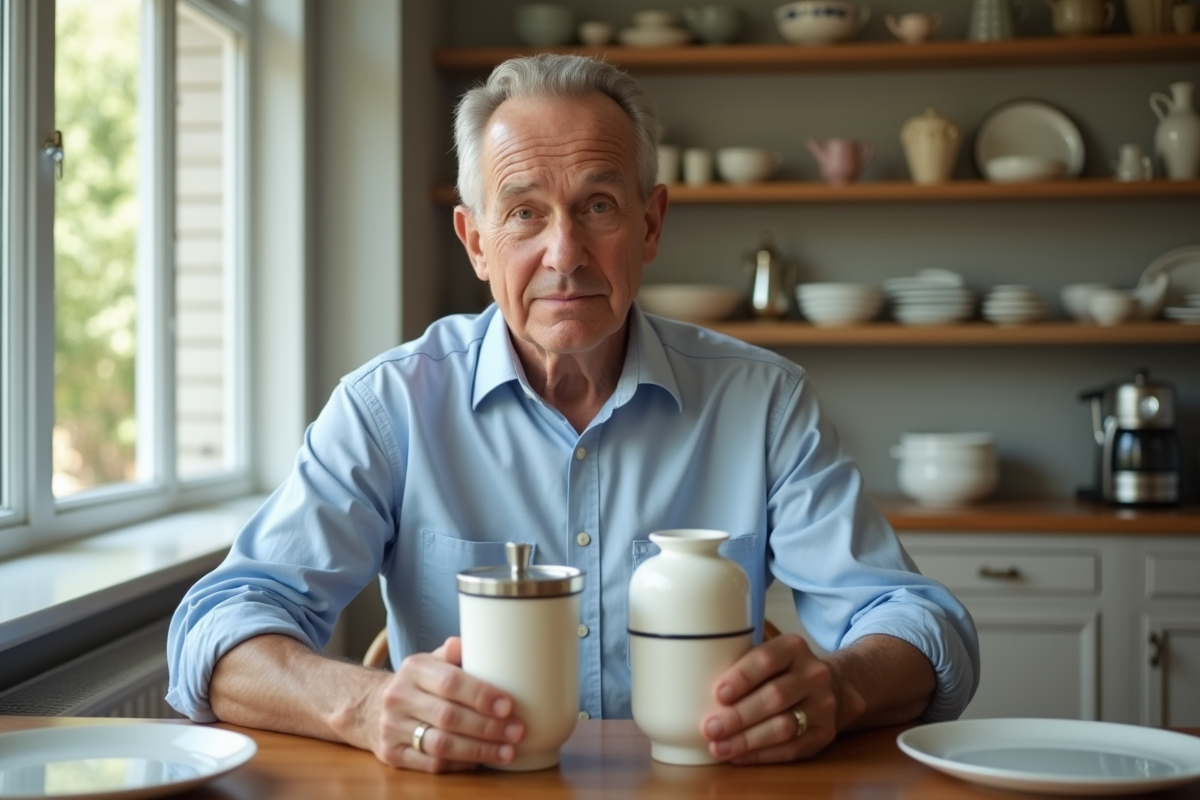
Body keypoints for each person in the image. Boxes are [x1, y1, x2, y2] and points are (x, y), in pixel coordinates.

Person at [166, 53, 979, 774]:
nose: (564, 255)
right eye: (523, 212)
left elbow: (917, 621)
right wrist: (363, 705)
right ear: (475, 241)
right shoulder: (390, 405)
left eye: (597, 206)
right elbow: (217, 629)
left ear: (650, 223)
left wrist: (841, 686)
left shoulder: (762, 401)